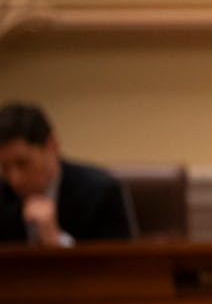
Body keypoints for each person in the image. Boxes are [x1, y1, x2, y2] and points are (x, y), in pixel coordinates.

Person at [0, 102, 133, 246]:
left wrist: (57, 240)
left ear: (52, 147)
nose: (15, 179)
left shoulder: (100, 192)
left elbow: (119, 264)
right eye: (5, 167)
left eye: (23, 163)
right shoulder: (2, 196)